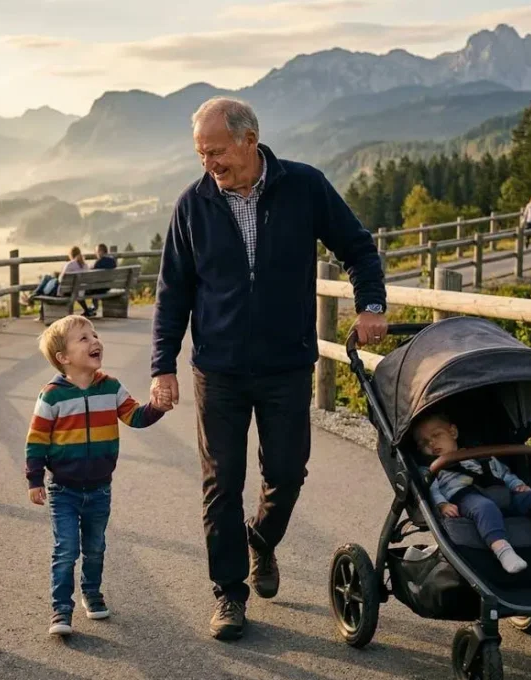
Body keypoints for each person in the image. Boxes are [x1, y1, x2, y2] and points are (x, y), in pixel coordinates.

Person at [150, 96, 388, 641]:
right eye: (200, 153)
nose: (208, 162)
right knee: (221, 484)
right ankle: (229, 594)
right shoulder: (192, 205)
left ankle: (259, 539)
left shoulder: (303, 186)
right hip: (219, 370)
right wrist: (163, 366)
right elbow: (172, 294)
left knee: (287, 472)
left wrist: (370, 304)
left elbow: (356, 246)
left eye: (215, 150)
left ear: (249, 140)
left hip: (285, 365)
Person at [26, 314, 166, 636]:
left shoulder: (111, 387)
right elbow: (36, 440)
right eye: (84, 338)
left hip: (100, 488)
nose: (95, 341)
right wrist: (34, 480)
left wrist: (157, 407)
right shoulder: (52, 395)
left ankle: (92, 593)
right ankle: (61, 610)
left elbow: (136, 416)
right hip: (63, 488)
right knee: (66, 550)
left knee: (95, 546)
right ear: (64, 358)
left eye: (95, 335)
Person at [413, 413, 531, 574]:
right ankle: (503, 551)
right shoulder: (431, 468)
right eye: (423, 444)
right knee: (485, 508)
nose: (431, 444)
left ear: (453, 432)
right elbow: (432, 489)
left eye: (436, 435)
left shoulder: (479, 455)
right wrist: (442, 504)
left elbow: (504, 474)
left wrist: (518, 485)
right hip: (466, 498)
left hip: (503, 494)